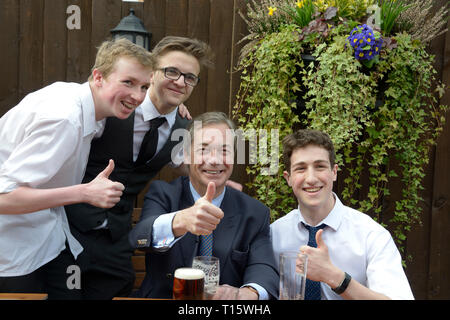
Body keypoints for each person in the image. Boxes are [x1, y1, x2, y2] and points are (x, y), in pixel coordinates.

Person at [62, 36, 214, 300]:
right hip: (65, 229)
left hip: (116, 239)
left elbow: (181, 165)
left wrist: (215, 180)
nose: (181, 81)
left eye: (190, 77)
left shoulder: (183, 126)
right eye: (172, 71)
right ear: (152, 72)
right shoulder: (110, 104)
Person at [0, 38, 153, 297]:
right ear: (98, 76)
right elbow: (4, 197)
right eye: (128, 82)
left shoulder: (89, 104)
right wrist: (84, 193)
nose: (138, 96)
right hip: (15, 253)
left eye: (144, 86)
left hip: (48, 238)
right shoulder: (65, 119)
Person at [129, 112, 279, 300]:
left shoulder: (254, 212)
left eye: (224, 150)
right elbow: (139, 237)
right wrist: (181, 220)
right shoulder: (164, 194)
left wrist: (247, 294)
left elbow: (263, 268)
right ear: (186, 154)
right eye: (204, 149)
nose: (214, 160)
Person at [270, 129, 414, 300]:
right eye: (301, 168)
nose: (311, 178)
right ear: (288, 178)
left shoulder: (371, 235)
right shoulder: (273, 234)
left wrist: (334, 277)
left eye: (320, 166)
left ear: (334, 172)